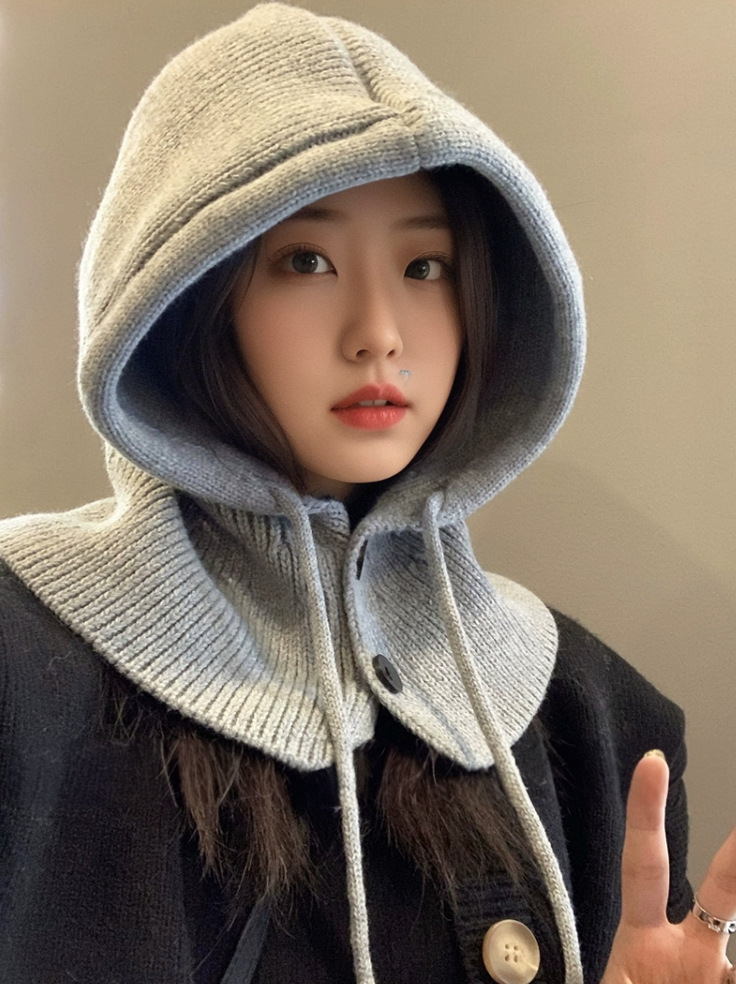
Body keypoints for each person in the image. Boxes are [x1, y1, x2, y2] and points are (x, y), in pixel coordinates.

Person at [0, 4, 733, 983]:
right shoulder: (23, 660)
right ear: (186, 295)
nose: (380, 332)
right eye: (306, 261)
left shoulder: (592, 715)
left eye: (426, 266)